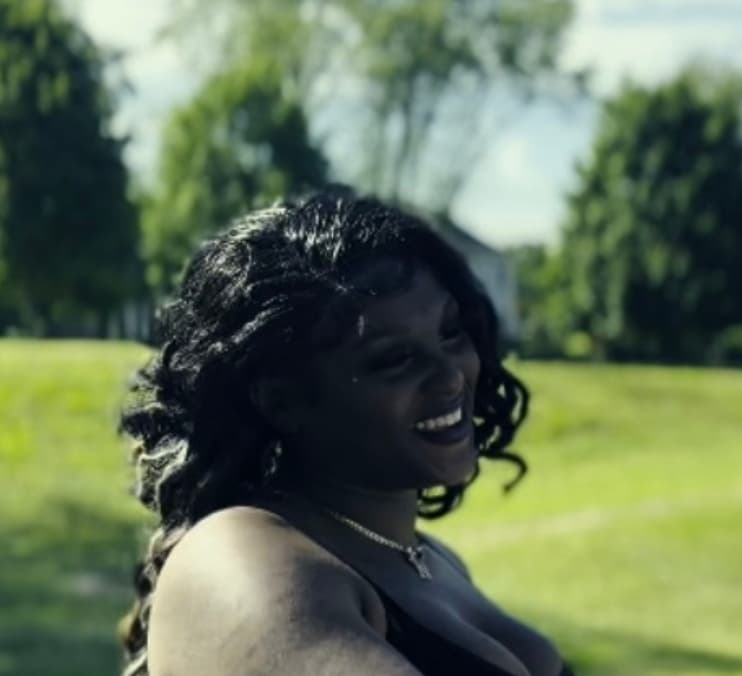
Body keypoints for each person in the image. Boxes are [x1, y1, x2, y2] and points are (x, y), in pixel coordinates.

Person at [118, 187, 570, 676]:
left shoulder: (433, 561)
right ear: (281, 400)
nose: (451, 377)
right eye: (396, 359)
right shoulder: (237, 556)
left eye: (450, 333)